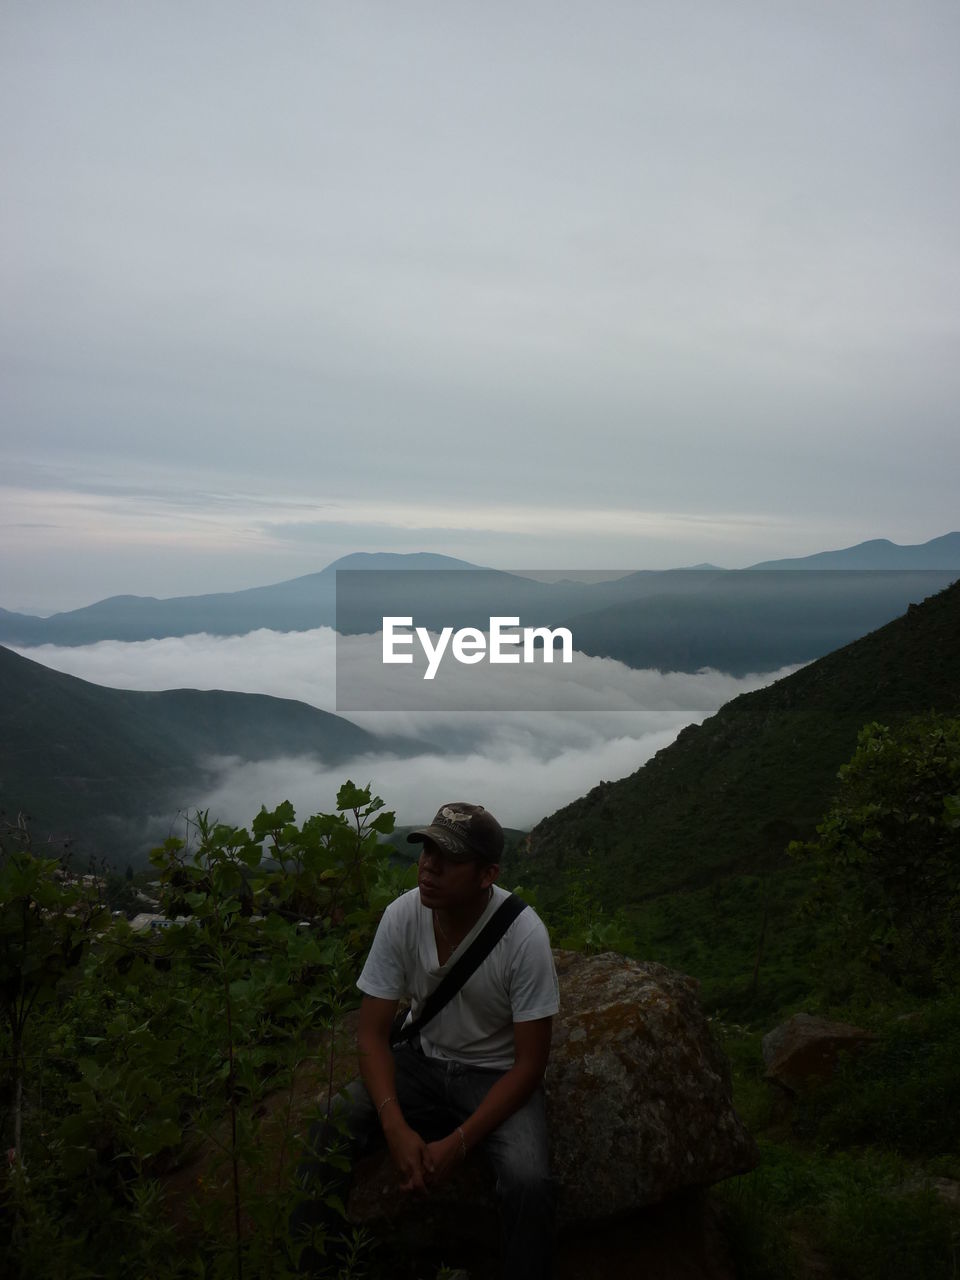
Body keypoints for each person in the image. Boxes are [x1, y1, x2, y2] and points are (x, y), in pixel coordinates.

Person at [296, 801, 559, 1279]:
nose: (429, 866)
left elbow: (529, 1065)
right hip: (420, 1063)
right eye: (426, 850)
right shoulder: (403, 917)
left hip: (494, 1075)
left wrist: (458, 1143)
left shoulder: (523, 937)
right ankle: (317, 1268)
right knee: (327, 1126)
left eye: (449, 858)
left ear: (487, 875)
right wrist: (394, 1127)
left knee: (528, 1181)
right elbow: (372, 1035)